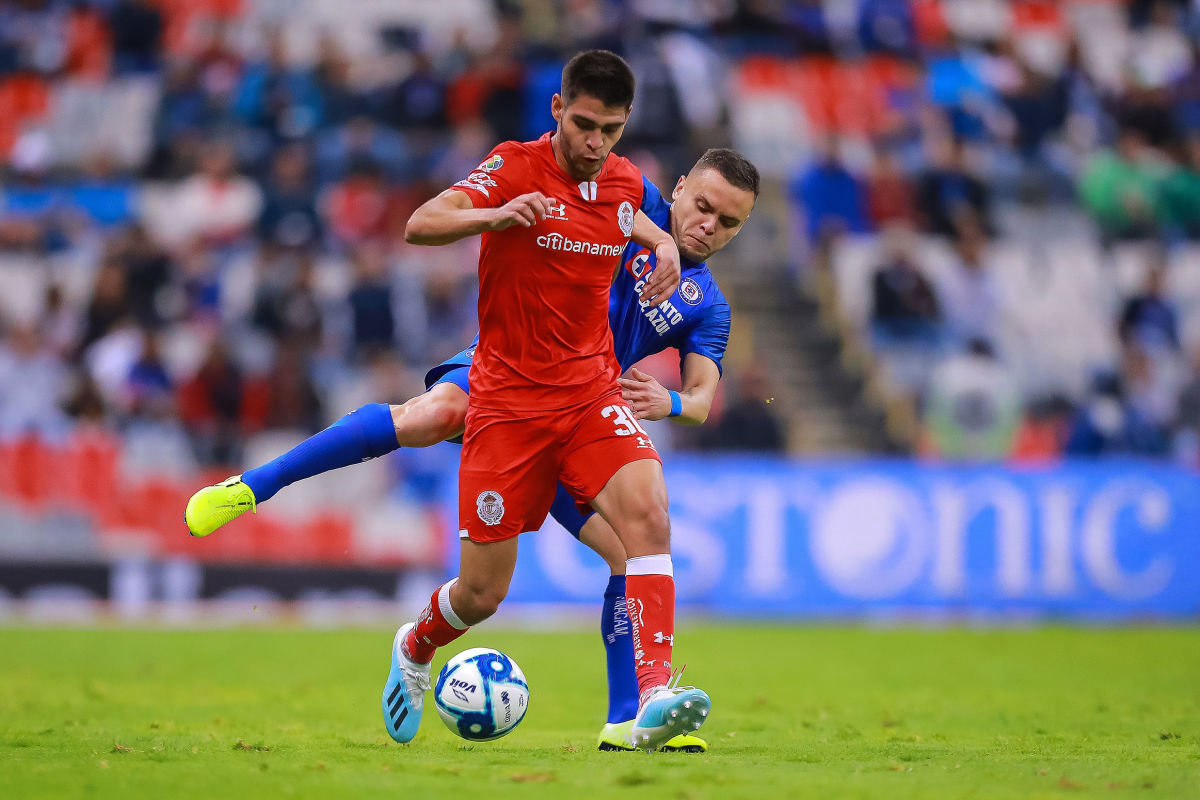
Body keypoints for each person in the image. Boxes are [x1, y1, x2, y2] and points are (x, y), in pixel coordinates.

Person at [186, 51, 749, 752]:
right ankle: (256, 487)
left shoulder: (684, 272)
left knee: (642, 532)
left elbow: (699, 395)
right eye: (699, 208)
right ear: (683, 183)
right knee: (451, 482)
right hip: (505, 382)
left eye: (726, 223)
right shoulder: (546, 172)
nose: (705, 227)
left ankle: (638, 709)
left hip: (585, 400)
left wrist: (671, 395)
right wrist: (499, 214)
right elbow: (424, 223)